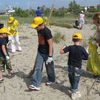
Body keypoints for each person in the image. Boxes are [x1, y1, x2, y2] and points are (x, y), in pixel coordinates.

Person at [28, 17, 55, 91]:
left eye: (36, 26)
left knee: (49, 68)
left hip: (47, 52)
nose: (35, 28)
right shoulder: (38, 29)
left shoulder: (47, 31)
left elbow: (50, 44)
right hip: (40, 51)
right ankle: (36, 84)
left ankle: (51, 80)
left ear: (41, 25)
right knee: (38, 67)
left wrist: (50, 56)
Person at [60, 32, 88, 100]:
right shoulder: (82, 48)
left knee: (71, 77)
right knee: (76, 79)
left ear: (73, 40)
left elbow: (61, 52)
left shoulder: (70, 47)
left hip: (70, 66)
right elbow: (87, 57)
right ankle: (74, 93)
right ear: (80, 40)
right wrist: (82, 56)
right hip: (77, 67)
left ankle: (73, 88)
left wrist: (63, 47)